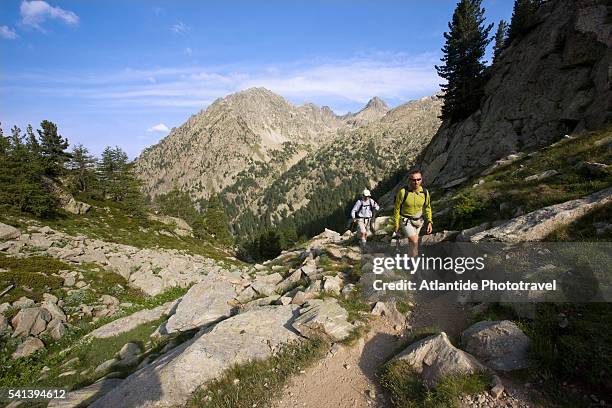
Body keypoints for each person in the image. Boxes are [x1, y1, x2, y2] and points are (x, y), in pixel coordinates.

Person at [393, 169, 433, 257]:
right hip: (405, 220)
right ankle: (415, 266)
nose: (416, 182)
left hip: (419, 221)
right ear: (410, 180)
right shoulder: (403, 192)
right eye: (414, 180)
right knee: (415, 241)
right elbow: (397, 209)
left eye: (418, 179)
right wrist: (396, 224)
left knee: (413, 243)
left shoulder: (425, 193)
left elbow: (427, 207)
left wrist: (429, 222)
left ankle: (411, 263)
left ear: (421, 179)